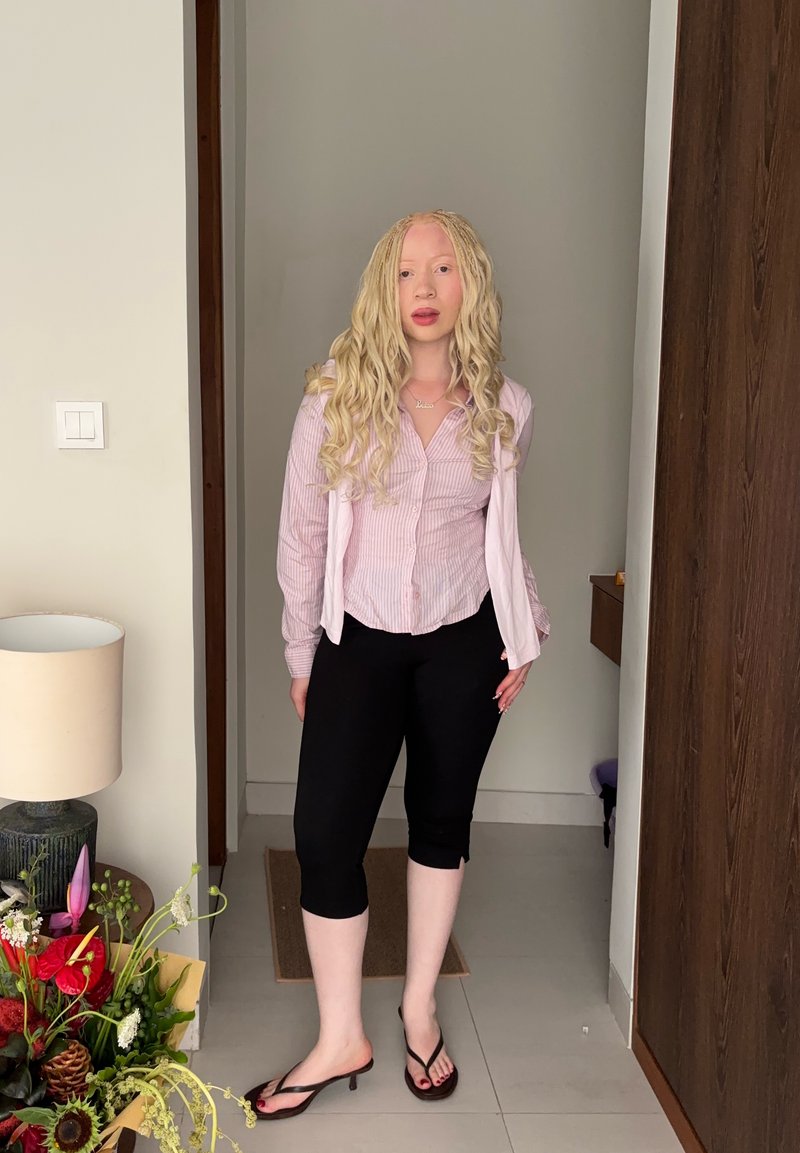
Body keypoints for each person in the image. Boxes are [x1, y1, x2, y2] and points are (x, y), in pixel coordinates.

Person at [245, 210, 550, 1121]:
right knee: (324, 833)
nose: (424, 288)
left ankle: (419, 1011)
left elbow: (501, 535)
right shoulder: (332, 400)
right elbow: (301, 537)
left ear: (469, 286)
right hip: (359, 640)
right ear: (385, 287)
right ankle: (341, 1034)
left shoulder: (506, 408)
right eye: (408, 270)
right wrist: (302, 649)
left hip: (464, 640)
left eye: (443, 268)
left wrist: (525, 630)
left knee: (440, 821)